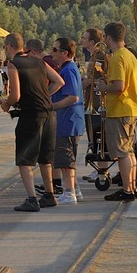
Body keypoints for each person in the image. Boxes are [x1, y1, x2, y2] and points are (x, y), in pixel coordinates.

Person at [2, 33, 60, 212]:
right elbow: (59, 81)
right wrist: (43, 94)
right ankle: (49, 194)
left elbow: (16, 95)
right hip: (49, 114)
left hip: (31, 115)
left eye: (4, 47)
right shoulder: (39, 61)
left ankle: (32, 199)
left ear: (9, 46)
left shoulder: (13, 64)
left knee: (25, 159)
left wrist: (6, 104)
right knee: (45, 158)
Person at [102, 21, 137, 202]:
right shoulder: (130, 55)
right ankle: (131, 187)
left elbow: (119, 86)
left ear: (109, 37)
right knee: (129, 151)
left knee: (122, 153)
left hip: (120, 109)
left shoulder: (117, 57)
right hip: (132, 107)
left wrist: (104, 87)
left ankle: (127, 190)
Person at [49, 38, 86, 204]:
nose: (52, 53)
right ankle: (75, 189)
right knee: (69, 158)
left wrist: (53, 106)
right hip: (70, 120)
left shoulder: (68, 70)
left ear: (64, 53)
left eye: (55, 50)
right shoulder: (69, 68)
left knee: (65, 159)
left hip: (67, 120)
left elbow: (73, 97)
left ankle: (69, 192)